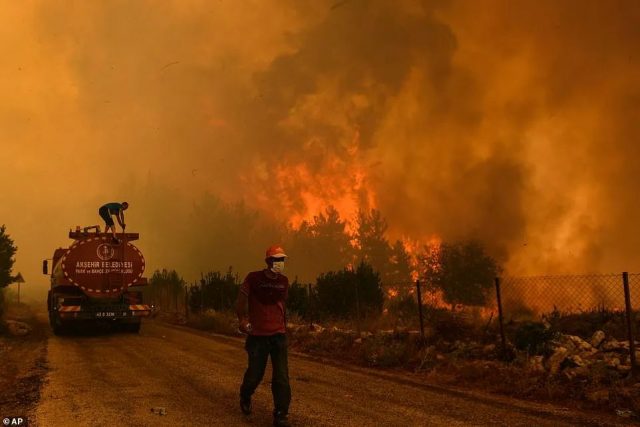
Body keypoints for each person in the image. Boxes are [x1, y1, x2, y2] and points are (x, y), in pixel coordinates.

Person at [236, 245, 291, 427]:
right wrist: (242, 319)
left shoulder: (284, 282)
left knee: (281, 376)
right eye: (277, 260)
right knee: (255, 375)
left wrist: (285, 327)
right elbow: (241, 300)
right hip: (258, 336)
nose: (280, 263)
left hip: (278, 335)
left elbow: (283, 306)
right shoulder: (253, 279)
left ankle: (281, 414)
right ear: (268, 262)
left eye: (282, 260)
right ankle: (245, 395)